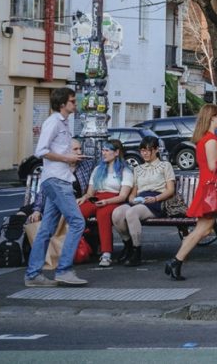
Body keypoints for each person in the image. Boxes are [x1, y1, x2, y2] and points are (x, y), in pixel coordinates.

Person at [165, 104, 217, 281]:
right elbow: (213, 166)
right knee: (203, 229)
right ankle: (175, 261)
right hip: (213, 188)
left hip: (214, 187)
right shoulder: (210, 140)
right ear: (212, 117)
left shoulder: (209, 138)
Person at [24, 87, 88, 287]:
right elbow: (40, 150)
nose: (74, 104)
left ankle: (33, 274)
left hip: (57, 178)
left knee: (47, 228)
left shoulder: (63, 122)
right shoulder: (53, 122)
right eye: (72, 101)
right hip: (57, 180)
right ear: (62, 104)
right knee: (77, 222)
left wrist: (70, 158)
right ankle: (64, 270)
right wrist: (67, 157)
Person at [111, 134, 176, 266]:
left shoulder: (165, 165)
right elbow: (133, 192)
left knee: (131, 213)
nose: (145, 153)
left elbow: (170, 190)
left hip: (157, 200)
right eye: (142, 150)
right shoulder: (138, 169)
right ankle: (128, 244)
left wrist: (155, 198)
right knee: (117, 213)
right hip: (140, 200)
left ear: (156, 150)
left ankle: (136, 251)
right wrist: (132, 199)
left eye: (148, 150)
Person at [77, 138, 134, 268]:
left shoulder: (125, 171)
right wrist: (84, 198)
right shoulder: (98, 169)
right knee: (77, 212)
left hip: (114, 199)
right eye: (102, 150)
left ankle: (106, 253)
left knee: (103, 215)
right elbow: (91, 192)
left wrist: (106, 201)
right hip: (97, 198)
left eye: (107, 150)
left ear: (116, 152)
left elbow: (123, 196)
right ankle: (72, 247)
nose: (103, 153)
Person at [28, 138, 95, 223]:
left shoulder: (87, 164)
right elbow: (44, 191)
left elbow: (95, 183)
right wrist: (37, 210)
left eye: (80, 149)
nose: (79, 152)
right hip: (56, 204)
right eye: (75, 149)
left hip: (77, 204)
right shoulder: (55, 167)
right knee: (27, 215)